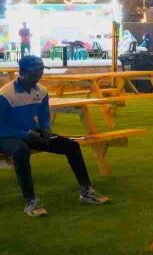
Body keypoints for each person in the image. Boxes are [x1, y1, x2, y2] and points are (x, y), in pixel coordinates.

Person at [0, 55, 109, 217]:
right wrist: (26, 134)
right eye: (34, 72)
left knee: (71, 146)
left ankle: (86, 190)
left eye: (41, 71)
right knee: (21, 151)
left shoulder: (41, 91)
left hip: (31, 133)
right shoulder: (6, 94)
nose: (38, 75)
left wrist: (46, 129)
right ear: (22, 72)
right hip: (6, 136)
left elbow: (44, 115)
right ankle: (31, 201)